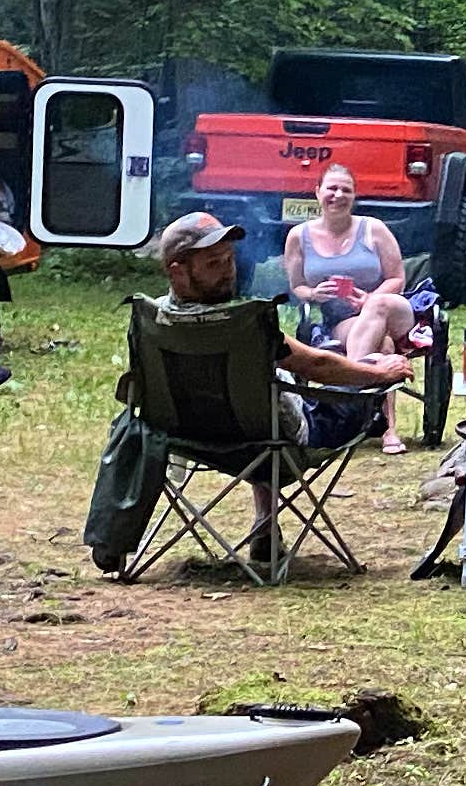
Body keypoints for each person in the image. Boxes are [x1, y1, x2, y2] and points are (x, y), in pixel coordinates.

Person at [84, 211, 397, 572]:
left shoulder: (152, 319)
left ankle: (119, 539)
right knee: (346, 390)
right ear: (177, 271)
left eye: (230, 259)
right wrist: (376, 372)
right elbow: (318, 366)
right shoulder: (244, 322)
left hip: (183, 437)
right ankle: (266, 524)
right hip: (274, 445)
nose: (229, 270)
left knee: (256, 410)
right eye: (214, 263)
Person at [277, 167, 416, 371]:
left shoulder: (374, 229)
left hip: (394, 311)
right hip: (344, 320)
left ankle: (352, 381)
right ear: (318, 192)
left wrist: (368, 299)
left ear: (354, 195)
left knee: (379, 304)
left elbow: (396, 279)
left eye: (346, 190)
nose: (339, 195)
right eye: (332, 188)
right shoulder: (298, 237)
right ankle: (370, 393)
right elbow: (298, 286)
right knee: (383, 347)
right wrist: (314, 293)